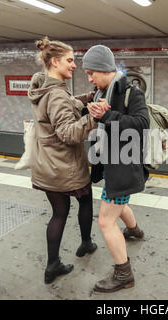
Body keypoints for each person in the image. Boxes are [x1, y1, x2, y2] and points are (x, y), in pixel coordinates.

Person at [28, 37, 108, 284]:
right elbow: (68, 133)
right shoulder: (57, 95)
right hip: (65, 167)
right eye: (70, 61)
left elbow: (66, 105)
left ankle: (52, 265)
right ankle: (85, 243)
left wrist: (87, 98)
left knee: (58, 214)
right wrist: (95, 117)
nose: (74, 65)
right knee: (85, 201)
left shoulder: (45, 88)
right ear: (55, 61)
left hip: (45, 166)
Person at [83, 45, 149, 293]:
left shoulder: (132, 93)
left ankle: (124, 275)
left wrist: (107, 117)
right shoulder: (101, 93)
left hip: (125, 166)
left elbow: (142, 124)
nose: (89, 78)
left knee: (105, 222)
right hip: (113, 166)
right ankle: (134, 231)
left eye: (91, 72)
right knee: (119, 204)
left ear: (103, 68)